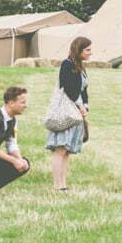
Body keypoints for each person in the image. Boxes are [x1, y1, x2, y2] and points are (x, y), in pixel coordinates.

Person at [46, 36, 91, 192]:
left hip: (77, 111)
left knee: (67, 151)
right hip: (67, 111)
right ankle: (57, 185)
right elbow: (69, 88)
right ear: (79, 50)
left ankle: (63, 183)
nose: (90, 53)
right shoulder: (67, 64)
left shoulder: (81, 67)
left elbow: (83, 89)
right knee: (61, 149)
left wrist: (85, 105)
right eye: (87, 50)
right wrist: (79, 105)